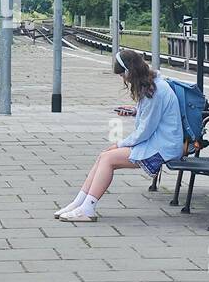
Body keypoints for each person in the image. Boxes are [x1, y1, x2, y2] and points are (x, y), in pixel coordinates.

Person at [54, 50, 183, 222]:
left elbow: (145, 131)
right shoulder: (154, 85)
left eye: (123, 74)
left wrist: (120, 144)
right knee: (104, 157)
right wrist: (136, 111)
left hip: (163, 148)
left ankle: (87, 209)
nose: (124, 78)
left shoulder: (155, 92)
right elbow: (152, 119)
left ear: (131, 71)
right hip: (159, 142)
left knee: (108, 159)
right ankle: (79, 203)